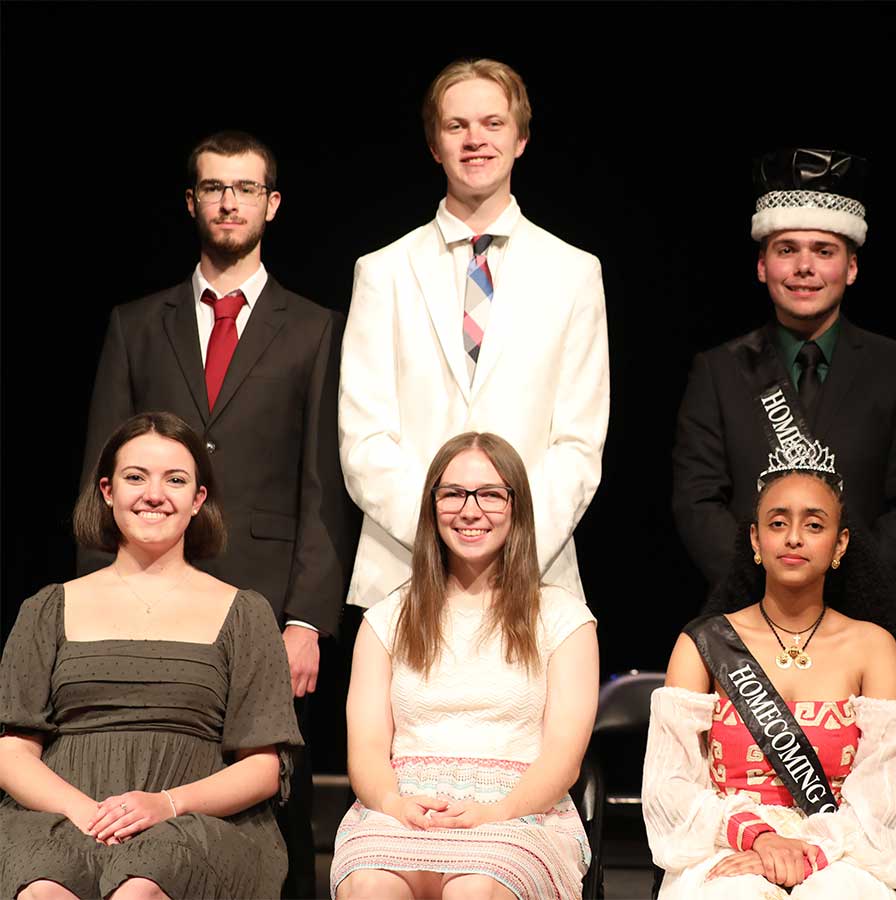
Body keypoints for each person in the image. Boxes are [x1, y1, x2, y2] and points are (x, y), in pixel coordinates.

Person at [80, 130, 351, 895]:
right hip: (147, 592)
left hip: (265, 600)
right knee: (153, 773)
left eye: (244, 188)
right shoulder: (137, 324)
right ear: (191, 201)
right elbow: (102, 471)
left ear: (272, 203)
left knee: (272, 793)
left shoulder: (316, 327)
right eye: (212, 187)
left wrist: (306, 619)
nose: (227, 202)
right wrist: (93, 603)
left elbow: (323, 483)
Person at [339, 58, 608, 618]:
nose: (475, 140)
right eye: (456, 126)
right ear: (434, 145)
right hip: (404, 573)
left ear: (521, 138)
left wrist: (513, 543)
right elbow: (364, 439)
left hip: (533, 574)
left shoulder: (573, 271)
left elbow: (578, 444)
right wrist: (442, 534)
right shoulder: (383, 271)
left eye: (492, 123)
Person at [0, 412, 303, 899]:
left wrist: (165, 804)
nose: (154, 494)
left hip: (194, 821)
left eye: (175, 480)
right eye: (135, 477)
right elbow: (12, 751)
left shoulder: (243, 612)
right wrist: (86, 813)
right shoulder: (47, 608)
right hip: (62, 814)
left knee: (142, 885)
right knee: (43, 887)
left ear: (198, 500)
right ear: (107, 491)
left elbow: (263, 767)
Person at [644, 428, 896, 898]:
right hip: (723, 846)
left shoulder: (873, 647)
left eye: (814, 525)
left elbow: (882, 800)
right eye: (777, 523)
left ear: (839, 544)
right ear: (755, 539)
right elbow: (668, 788)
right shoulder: (703, 643)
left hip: (840, 854)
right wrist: (759, 838)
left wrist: (808, 852)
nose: (794, 537)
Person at [672, 147, 896, 615]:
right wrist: (762, 583)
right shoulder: (718, 370)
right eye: (786, 250)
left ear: (851, 267)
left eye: (824, 251)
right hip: (745, 613)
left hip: (864, 616)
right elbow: (697, 502)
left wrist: (844, 581)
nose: (804, 267)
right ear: (762, 266)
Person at [331, 432, 599, 900]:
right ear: (432, 507)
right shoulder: (386, 619)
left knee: (476, 889)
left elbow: (563, 755)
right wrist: (395, 804)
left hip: (518, 813)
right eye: (453, 493)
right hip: (404, 809)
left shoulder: (563, 618)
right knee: (371, 885)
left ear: (517, 508)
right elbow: (368, 750)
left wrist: (497, 811)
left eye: (490, 494)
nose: (470, 509)